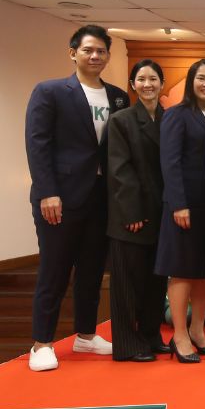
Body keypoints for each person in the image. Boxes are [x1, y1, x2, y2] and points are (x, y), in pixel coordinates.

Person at [25, 24, 129, 371]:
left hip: (102, 198)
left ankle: (86, 334)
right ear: (73, 54)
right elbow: (38, 145)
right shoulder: (51, 92)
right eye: (88, 50)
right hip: (61, 198)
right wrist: (47, 192)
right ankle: (42, 343)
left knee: (91, 269)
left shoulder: (117, 96)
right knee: (54, 270)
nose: (95, 56)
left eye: (101, 51)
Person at [155, 59, 205, 362]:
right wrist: (178, 203)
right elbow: (169, 162)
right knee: (182, 269)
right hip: (184, 205)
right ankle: (180, 335)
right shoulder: (177, 115)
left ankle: (198, 329)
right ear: (191, 82)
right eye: (202, 78)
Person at [106, 59, 167, 362]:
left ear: (162, 84)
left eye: (153, 79)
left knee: (155, 282)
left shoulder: (169, 119)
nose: (147, 84)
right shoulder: (121, 120)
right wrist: (131, 213)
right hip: (130, 217)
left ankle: (151, 335)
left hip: (161, 216)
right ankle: (128, 345)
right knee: (128, 285)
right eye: (141, 79)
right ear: (132, 85)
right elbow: (119, 171)